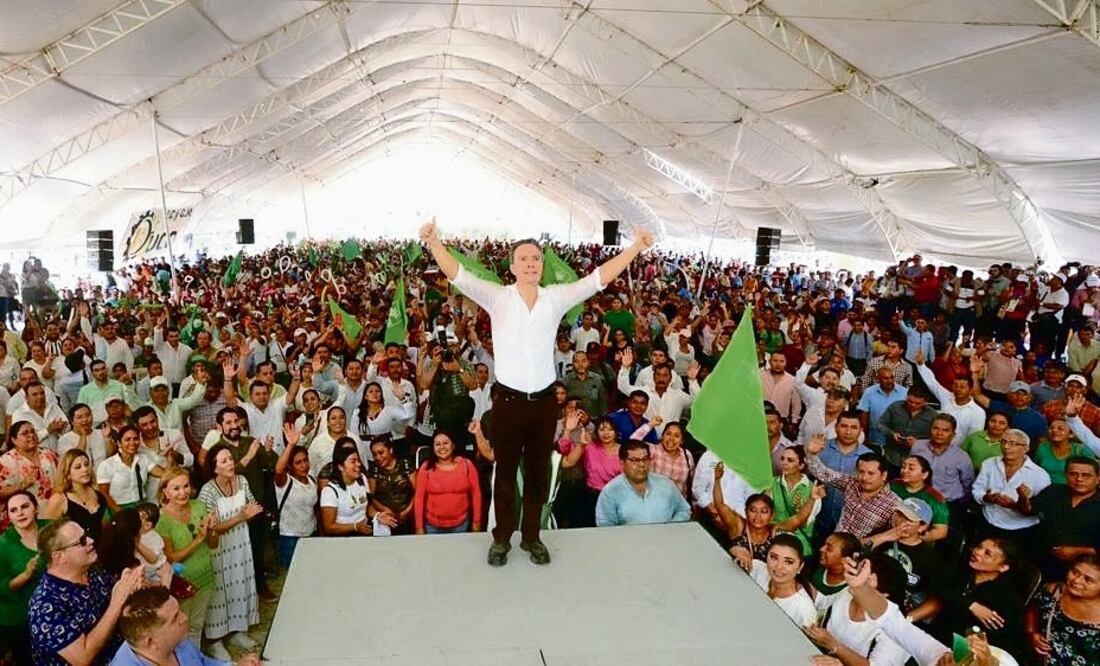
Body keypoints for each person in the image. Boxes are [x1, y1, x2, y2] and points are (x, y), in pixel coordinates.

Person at [420, 219, 654, 567]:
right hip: (508, 401)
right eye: (524, 259)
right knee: (504, 474)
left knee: (538, 474)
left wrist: (635, 247)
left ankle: (531, 536)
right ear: (512, 266)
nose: (530, 264)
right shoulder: (498, 297)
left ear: (542, 266)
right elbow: (458, 275)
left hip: (544, 403)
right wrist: (434, 243)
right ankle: (502, 539)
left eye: (536, 259)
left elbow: (597, 279)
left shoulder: (555, 299)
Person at [28, 519, 145, 666]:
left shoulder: (91, 569)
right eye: (82, 541)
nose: (91, 541)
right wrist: (117, 602)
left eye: (86, 534)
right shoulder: (44, 604)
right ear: (59, 557)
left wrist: (128, 584)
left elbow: (116, 596)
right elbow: (82, 658)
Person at [196, 444, 263, 657]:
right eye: (224, 461)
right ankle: (215, 640)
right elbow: (210, 527)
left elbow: (252, 506)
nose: (230, 463)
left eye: (231, 459)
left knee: (240, 584)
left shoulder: (242, 481)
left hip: (241, 544)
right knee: (219, 592)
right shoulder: (208, 491)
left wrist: (247, 515)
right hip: (218, 548)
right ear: (214, 467)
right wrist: (240, 517)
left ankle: (237, 631)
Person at [916, 537, 1026, 657]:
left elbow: (1001, 641)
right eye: (979, 547)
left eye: (987, 554)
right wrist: (970, 605)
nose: (977, 552)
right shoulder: (962, 566)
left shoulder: (1008, 600)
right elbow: (936, 581)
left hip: (962, 653)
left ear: (1003, 567)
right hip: (934, 635)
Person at [155, 467, 220, 653]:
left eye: (186, 486)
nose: (183, 492)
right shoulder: (162, 520)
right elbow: (171, 557)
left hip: (205, 576)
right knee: (181, 630)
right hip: (182, 584)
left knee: (197, 625)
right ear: (165, 491)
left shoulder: (199, 506)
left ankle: (195, 658)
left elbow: (213, 544)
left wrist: (212, 531)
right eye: (176, 488)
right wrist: (199, 539)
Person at [803, 553, 910, 665]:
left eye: (866, 580)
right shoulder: (849, 593)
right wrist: (798, 581)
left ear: (884, 594)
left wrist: (835, 646)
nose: (855, 580)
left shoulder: (895, 630)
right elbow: (823, 602)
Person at [110, 586, 262, 665]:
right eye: (175, 618)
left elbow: (203, 662)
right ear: (150, 642)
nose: (185, 618)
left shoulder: (178, 642)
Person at [805, 431, 899, 539]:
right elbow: (823, 473)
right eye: (861, 472)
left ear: (884, 475)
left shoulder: (892, 504)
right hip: (834, 542)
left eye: (871, 473)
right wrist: (811, 454)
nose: (864, 478)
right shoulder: (851, 483)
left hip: (861, 549)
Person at [1020, 456, 1100, 580]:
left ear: (1098, 479)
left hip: (1077, 572)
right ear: (1066, 475)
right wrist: (1023, 498)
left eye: (1086, 475)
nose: (1079, 479)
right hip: (1038, 560)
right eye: (1073, 474)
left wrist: (1078, 551)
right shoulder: (1054, 491)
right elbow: (1028, 511)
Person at [971, 428, 1051, 540]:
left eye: (1013, 443)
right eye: (1003, 442)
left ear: (1026, 448)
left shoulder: (1040, 475)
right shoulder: (989, 464)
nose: (1006, 447)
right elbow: (977, 489)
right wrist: (987, 498)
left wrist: (1016, 504)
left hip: (1021, 530)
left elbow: (1041, 510)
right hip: (989, 521)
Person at [1025, 553, 1100, 665]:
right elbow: (1033, 609)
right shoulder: (1053, 591)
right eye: (1074, 572)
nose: (1076, 580)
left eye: (1088, 580)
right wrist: (1032, 632)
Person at [594, 440, 690, 527]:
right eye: (635, 460)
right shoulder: (610, 492)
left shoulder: (665, 484)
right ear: (622, 463)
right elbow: (605, 527)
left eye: (645, 459)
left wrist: (671, 527)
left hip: (666, 538)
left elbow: (683, 509)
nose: (641, 464)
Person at [0, 491, 46, 665]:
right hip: (20, 618)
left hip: (56, 609)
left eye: (25, 507)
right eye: (13, 510)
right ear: (9, 517)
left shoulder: (53, 529)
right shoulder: (2, 544)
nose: (20, 513)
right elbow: (2, 590)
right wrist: (25, 575)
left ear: (36, 508)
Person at [874, 499, 943, 614]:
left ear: (922, 527)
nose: (900, 521)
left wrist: (908, 618)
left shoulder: (930, 558)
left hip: (895, 610)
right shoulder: (881, 534)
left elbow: (936, 599)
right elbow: (855, 550)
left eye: (908, 519)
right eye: (899, 514)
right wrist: (884, 536)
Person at [558, 415, 624, 527]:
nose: (606, 433)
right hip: (591, 497)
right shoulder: (589, 447)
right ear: (597, 432)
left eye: (610, 429)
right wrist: (571, 433)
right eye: (602, 429)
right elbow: (566, 458)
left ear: (616, 432)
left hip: (616, 497)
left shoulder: (624, 451)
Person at [414, 430, 482, 534]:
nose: (442, 447)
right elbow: (419, 498)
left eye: (446, 443)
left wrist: (476, 522)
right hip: (432, 526)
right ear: (433, 448)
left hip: (461, 525)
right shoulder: (426, 468)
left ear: (453, 445)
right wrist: (419, 527)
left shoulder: (467, 465)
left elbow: (476, 494)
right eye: (437, 444)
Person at [747, 533, 817, 627]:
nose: (779, 567)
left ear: (800, 566)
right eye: (774, 557)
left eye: (788, 562)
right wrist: (735, 551)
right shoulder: (756, 568)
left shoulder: (804, 610)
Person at [320, 442, 390, 536]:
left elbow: (368, 507)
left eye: (358, 461)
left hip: (364, 533)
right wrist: (355, 527)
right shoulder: (330, 491)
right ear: (341, 467)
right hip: (342, 538)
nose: (358, 464)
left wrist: (377, 515)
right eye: (353, 461)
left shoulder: (362, 479)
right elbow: (329, 527)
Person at [764, 446, 824, 555]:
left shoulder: (813, 489)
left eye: (790, 460)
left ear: (801, 465)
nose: (784, 463)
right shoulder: (771, 484)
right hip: (773, 543)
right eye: (782, 459)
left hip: (799, 547)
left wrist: (777, 526)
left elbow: (801, 522)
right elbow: (765, 517)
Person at [272, 425, 317, 565]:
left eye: (305, 460)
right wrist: (291, 444)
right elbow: (278, 470)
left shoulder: (312, 480)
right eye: (298, 463)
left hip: (311, 534)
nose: (303, 465)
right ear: (290, 465)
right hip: (290, 538)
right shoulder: (285, 482)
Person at [44, 448, 110, 541]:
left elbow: (105, 525)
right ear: (67, 473)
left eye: (86, 464)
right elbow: (49, 534)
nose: (85, 469)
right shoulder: (59, 499)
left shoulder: (96, 492)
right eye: (78, 467)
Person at [97, 425, 164, 512]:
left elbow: (164, 474)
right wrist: (120, 512)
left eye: (135, 439)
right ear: (119, 443)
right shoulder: (107, 465)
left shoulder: (143, 459)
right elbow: (103, 494)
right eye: (127, 439)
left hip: (142, 506)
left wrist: (170, 458)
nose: (132, 443)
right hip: (117, 508)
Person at [0, 419, 60, 510]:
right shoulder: (5, 461)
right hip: (22, 513)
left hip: (54, 510)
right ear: (14, 440)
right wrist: (22, 485)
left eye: (33, 431)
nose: (31, 435)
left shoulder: (49, 454)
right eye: (25, 433)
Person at [366, 437, 416, 535]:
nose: (378, 457)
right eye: (374, 454)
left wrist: (407, 511)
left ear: (391, 450)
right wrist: (384, 509)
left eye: (381, 453)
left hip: (408, 519)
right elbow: (371, 497)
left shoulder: (406, 466)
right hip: (385, 520)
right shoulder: (374, 470)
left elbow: (417, 491)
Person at [1034, 417, 1095, 484]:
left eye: (1060, 429)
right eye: (1051, 428)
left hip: (1074, 487)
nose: (1054, 430)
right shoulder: (1042, 448)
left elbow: (1093, 472)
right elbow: (1036, 469)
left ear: (1071, 434)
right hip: (1047, 487)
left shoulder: (1081, 450)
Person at [57, 403, 112, 469]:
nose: (85, 420)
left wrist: (107, 439)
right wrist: (83, 436)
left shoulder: (101, 432)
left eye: (88, 415)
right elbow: (74, 459)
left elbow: (110, 455)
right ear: (72, 421)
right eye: (79, 417)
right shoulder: (65, 439)